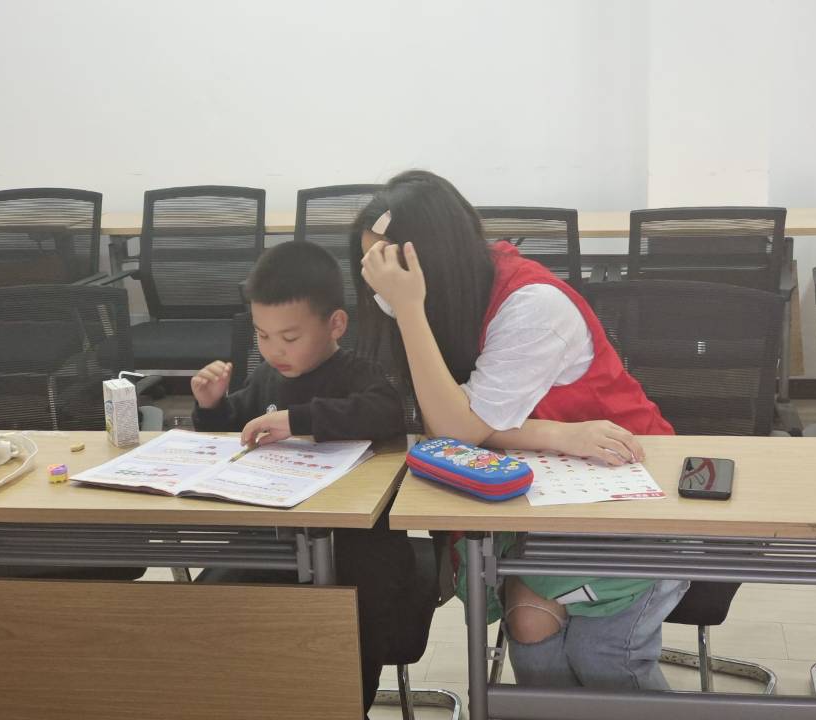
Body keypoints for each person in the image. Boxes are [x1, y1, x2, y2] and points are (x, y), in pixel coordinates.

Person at [351, 170, 688, 691]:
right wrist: (555, 435)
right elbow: (451, 428)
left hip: (631, 492)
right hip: (545, 495)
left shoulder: (532, 306)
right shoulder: (448, 299)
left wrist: (410, 308)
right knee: (529, 623)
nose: (380, 286)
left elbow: (458, 430)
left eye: (390, 267)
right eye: (371, 267)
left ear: (431, 260)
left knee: (599, 654)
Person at [191, 240, 413, 718]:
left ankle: (343, 704)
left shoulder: (356, 373)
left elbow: (386, 411)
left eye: (290, 338)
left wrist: (299, 420)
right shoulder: (267, 379)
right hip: (276, 543)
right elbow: (238, 427)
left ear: (335, 324)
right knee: (211, 604)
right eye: (262, 336)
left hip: (355, 548)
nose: (275, 350)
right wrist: (212, 407)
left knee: (349, 628)